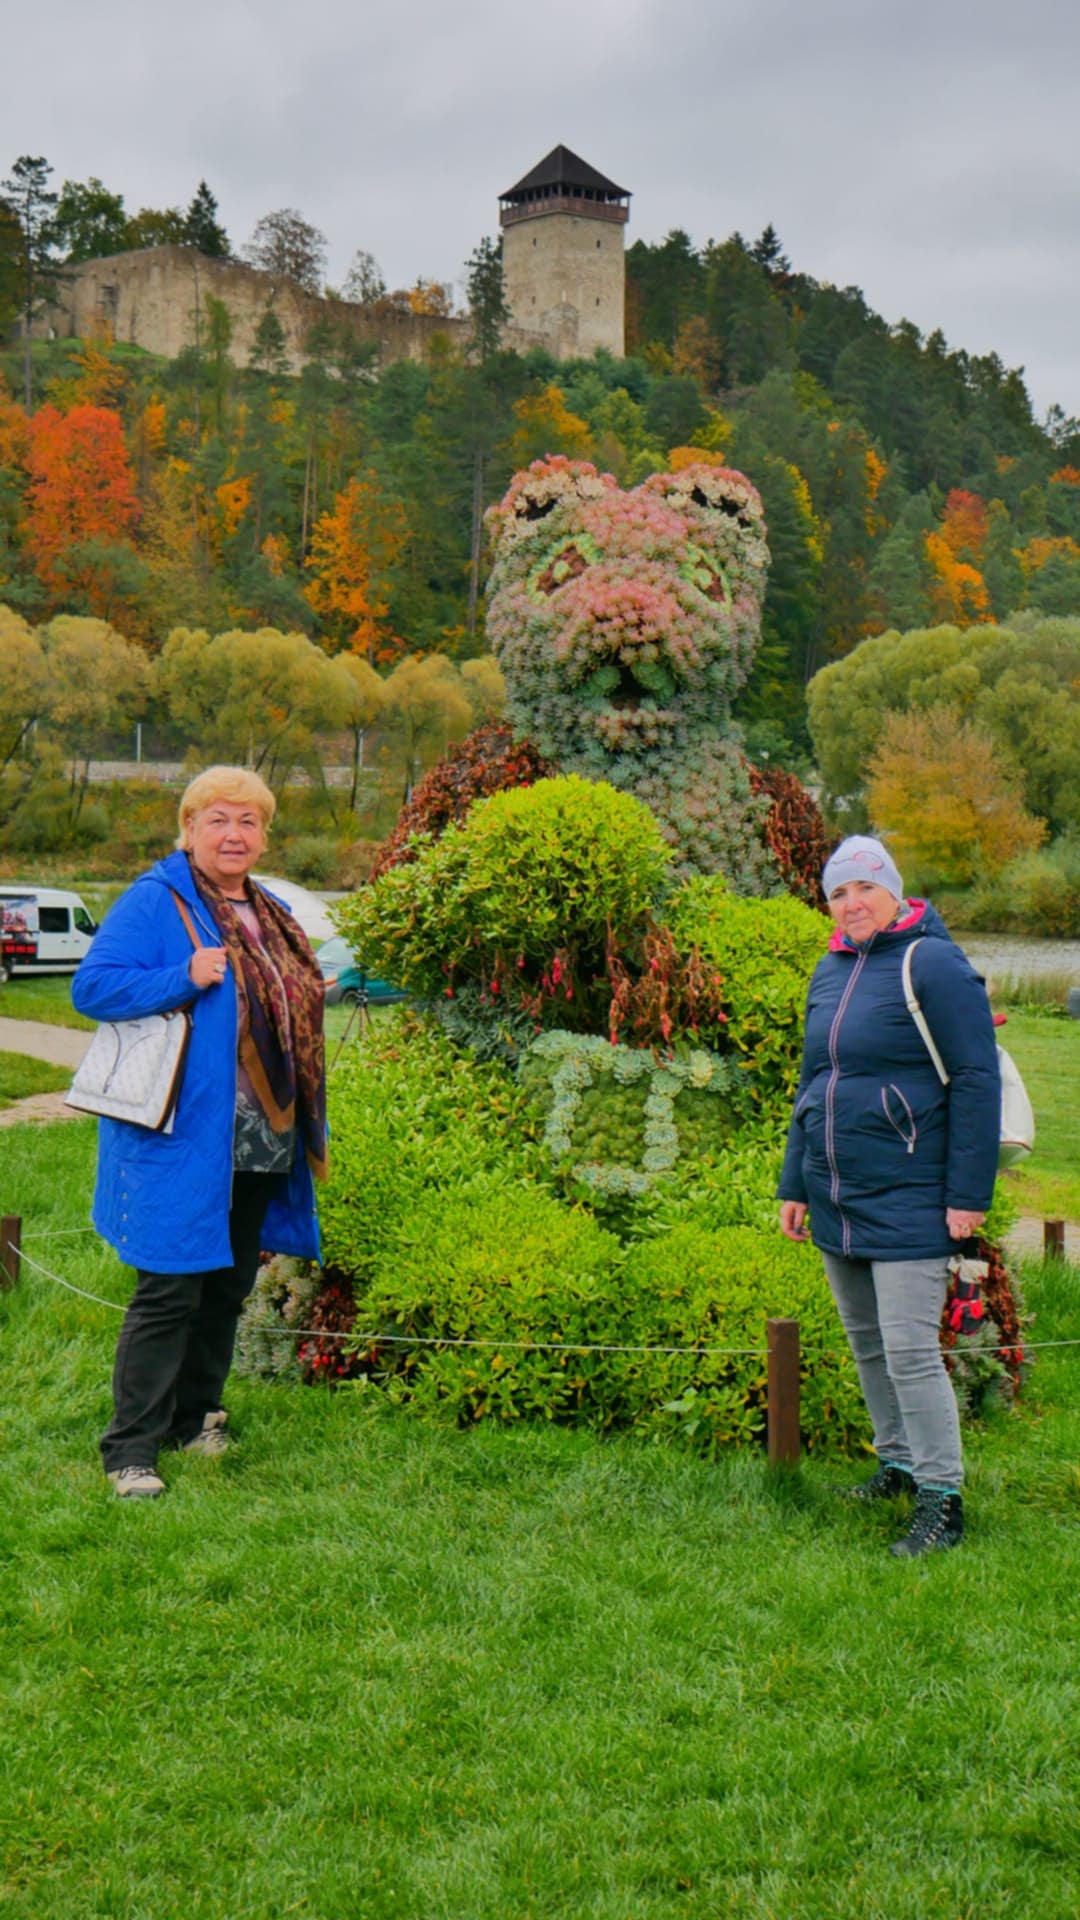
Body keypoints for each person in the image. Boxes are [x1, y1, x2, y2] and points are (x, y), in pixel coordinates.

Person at [73, 767, 327, 1499]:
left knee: (227, 1286)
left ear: (264, 835)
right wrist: (183, 974)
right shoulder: (156, 900)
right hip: (183, 1134)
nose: (233, 834)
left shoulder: (273, 910)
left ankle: (195, 1419)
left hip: (262, 1132)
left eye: (249, 821)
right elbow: (93, 987)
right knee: (170, 1286)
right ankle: (131, 1451)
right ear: (188, 829)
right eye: (217, 819)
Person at [778, 835, 1000, 1557]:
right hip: (837, 1194)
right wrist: (794, 1183)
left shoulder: (931, 963)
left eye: (864, 888)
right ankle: (898, 1466)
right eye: (837, 893)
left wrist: (967, 1195)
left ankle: (942, 1501)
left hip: (912, 1192)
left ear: (894, 891)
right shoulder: (830, 968)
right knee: (869, 1345)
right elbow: (814, 1082)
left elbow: (976, 1079)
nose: (851, 904)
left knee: (909, 1351)